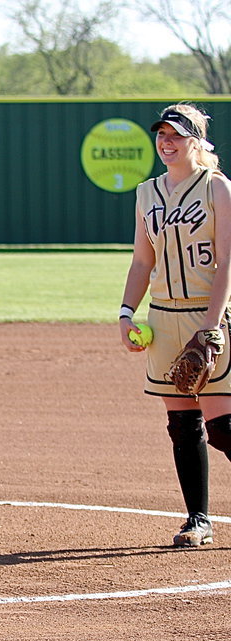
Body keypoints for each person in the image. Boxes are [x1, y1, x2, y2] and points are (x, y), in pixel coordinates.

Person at [120, 103, 231, 547]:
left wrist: (210, 325)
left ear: (195, 141)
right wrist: (126, 313)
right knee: (182, 424)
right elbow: (142, 260)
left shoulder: (217, 188)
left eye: (176, 135)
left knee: (222, 426)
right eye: (161, 134)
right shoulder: (147, 193)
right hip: (163, 318)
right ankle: (198, 520)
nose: (166, 142)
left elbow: (227, 260)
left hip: (208, 314)